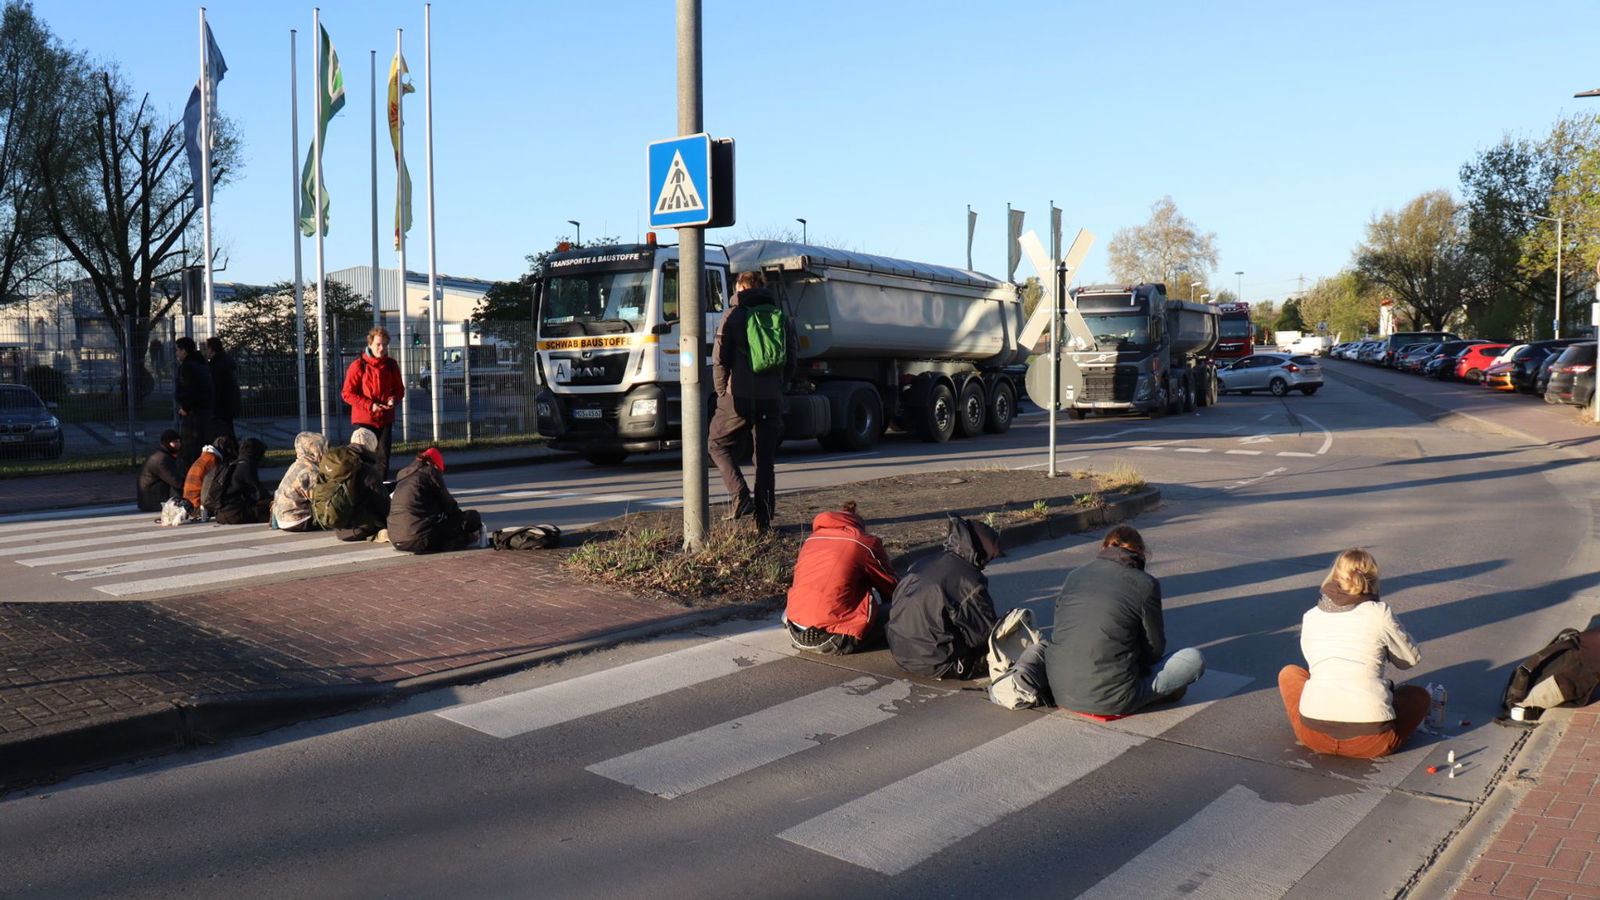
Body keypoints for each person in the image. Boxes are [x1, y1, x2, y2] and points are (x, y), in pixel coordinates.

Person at [1278, 549, 1429, 759]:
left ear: (1334, 575)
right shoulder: (1379, 612)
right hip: (1371, 742)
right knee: (1418, 695)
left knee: (1290, 673)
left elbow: (1314, 662)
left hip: (1313, 736)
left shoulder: (1311, 616)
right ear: (1372, 577)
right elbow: (1409, 661)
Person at [1045, 525, 1206, 717]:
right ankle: (1145, 695)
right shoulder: (1146, 584)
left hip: (1060, 691)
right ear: (1140, 553)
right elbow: (1154, 651)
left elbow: (1061, 631)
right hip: (1113, 699)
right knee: (1192, 659)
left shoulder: (1074, 575)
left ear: (1103, 548)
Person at [709, 270, 797, 530]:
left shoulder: (733, 315)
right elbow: (792, 357)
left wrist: (722, 391)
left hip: (739, 396)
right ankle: (764, 521)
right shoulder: (779, 316)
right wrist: (782, 385)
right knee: (765, 460)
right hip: (771, 397)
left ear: (740, 287)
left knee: (716, 443)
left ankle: (740, 495)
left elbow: (719, 359)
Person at [885, 515, 1003, 679]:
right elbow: (981, 634)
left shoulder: (926, 561)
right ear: (982, 553)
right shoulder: (970, 580)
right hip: (937, 663)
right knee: (1010, 646)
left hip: (901, 652)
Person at [783, 501, 899, 655]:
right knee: (903, 608)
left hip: (796, 632)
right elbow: (891, 587)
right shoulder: (864, 542)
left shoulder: (811, 539)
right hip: (835, 639)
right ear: (857, 523)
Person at [387, 448, 481, 553]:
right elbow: (449, 506)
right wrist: (461, 522)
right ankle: (465, 540)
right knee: (472, 517)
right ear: (435, 465)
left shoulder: (403, 475)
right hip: (419, 538)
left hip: (396, 538)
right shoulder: (430, 472)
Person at [341, 326, 405, 478]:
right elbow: (347, 393)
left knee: (383, 458)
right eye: (378, 344)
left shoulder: (391, 365)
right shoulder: (358, 366)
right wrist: (370, 405)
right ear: (369, 344)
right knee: (364, 458)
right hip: (365, 419)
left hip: (385, 418)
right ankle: (363, 491)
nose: (381, 348)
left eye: (384, 344)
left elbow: (399, 390)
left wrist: (392, 400)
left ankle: (380, 492)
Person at [333, 428, 391, 542]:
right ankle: (377, 534)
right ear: (371, 446)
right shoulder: (367, 469)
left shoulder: (339, 465)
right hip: (360, 528)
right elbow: (383, 503)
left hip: (340, 529)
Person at [271, 431, 326, 531]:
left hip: (282, 518)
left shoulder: (296, 465)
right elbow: (320, 499)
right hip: (298, 520)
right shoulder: (310, 471)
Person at [174, 336, 213, 472]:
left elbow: (190, 390)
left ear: (184, 351)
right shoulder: (201, 363)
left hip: (193, 413)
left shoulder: (187, 367)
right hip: (204, 410)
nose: (177, 353)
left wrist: (185, 407)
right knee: (201, 443)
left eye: (178, 350)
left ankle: (190, 476)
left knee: (190, 446)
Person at [212, 438, 269, 525]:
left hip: (221, 514)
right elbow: (258, 494)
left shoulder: (235, 464)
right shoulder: (246, 466)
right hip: (234, 514)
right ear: (256, 454)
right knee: (268, 508)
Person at [181, 434, 236, 515]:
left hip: (189, 503)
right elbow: (216, 487)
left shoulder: (206, 457)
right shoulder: (213, 461)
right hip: (198, 506)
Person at [136, 429, 183, 512]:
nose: (178, 444)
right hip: (153, 501)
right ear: (167, 443)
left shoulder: (162, 454)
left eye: (179, 441)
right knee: (177, 486)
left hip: (151, 498)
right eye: (175, 442)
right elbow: (176, 481)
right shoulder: (161, 459)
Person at [204, 337, 241, 443]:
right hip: (229, 403)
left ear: (211, 349)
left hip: (221, 405)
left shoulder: (216, 365)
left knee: (222, 431)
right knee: (228, 429)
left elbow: (216, 387)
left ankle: (228, 450)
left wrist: (213, 406)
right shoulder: (226, 362)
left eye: (207, 348)